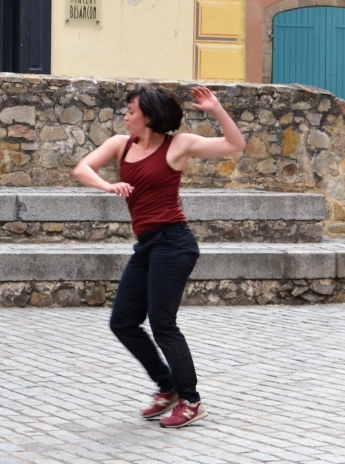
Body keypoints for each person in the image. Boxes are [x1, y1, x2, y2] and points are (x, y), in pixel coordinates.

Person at [73, 85, 245, 428]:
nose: (125, 115)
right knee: (122, 322)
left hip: (174, 242)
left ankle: (191, 400)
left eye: (131, 110)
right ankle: (167, 387)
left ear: (148, 116)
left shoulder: (178, 145)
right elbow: (82, 169)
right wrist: (108, 186)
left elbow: (235, 145)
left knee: (163, 324)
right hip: (147, 244)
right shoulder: (120, 145)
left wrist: (216, 109)